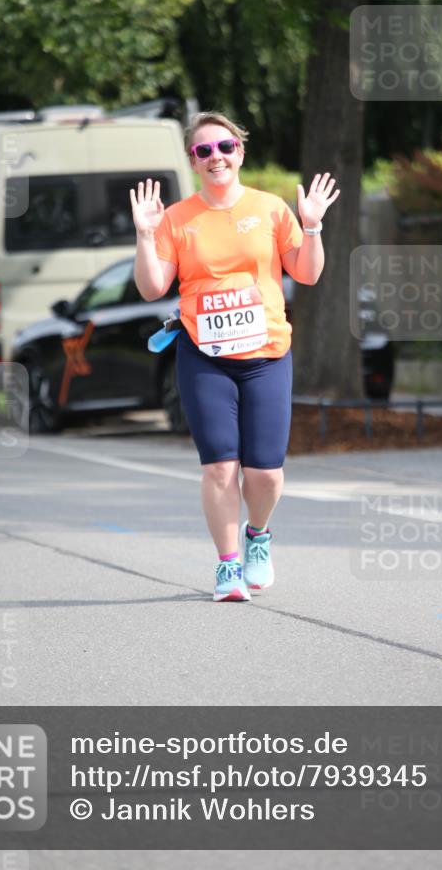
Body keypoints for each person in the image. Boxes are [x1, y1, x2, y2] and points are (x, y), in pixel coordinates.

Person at [130, 111, 339, 602]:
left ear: (239, 152)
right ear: (193, 161)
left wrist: (311, 227)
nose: (216, 157)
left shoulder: (270, 210)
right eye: (204, 151)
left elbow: (306, 275)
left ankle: (258, 537)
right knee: (220, 467)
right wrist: (144, 234)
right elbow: (152, 287)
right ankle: (227, 566)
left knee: (265, 471)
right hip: (204, 356)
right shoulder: (176, 219)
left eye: (224, 147)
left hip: (267, 352)